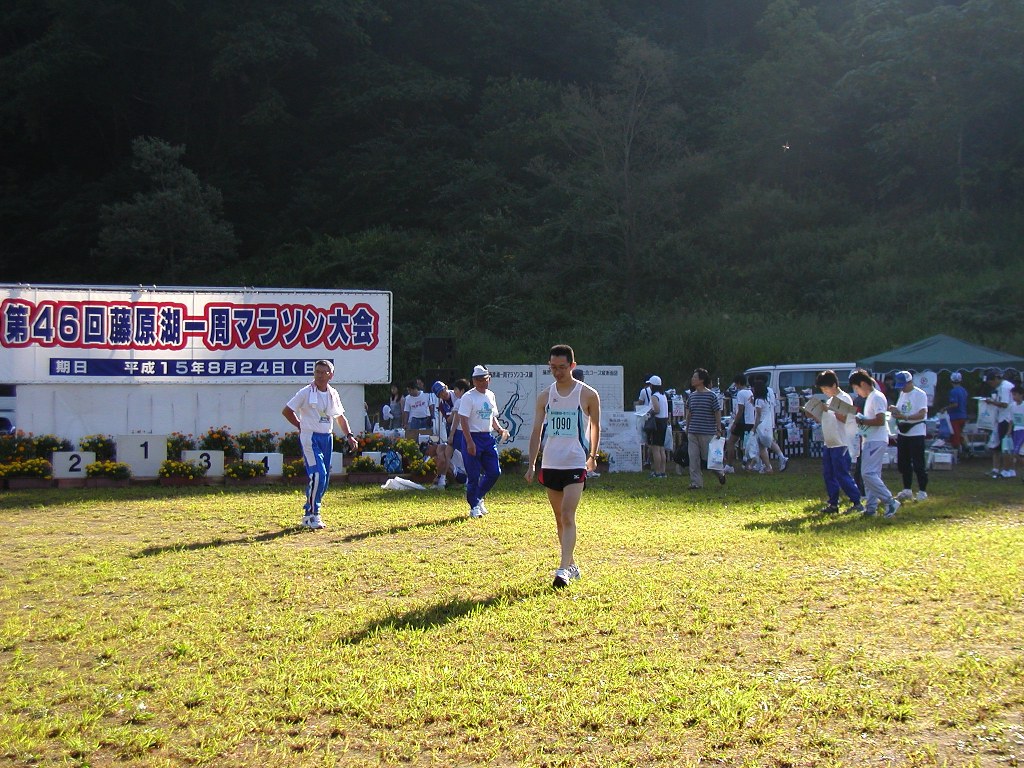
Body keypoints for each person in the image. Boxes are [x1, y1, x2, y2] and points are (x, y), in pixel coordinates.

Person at [525, 344, 602, 589]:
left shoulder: (588, 394)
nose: (557, 372)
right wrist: (532, 463)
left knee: (568, 514)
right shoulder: (545, 396)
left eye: (562, 367)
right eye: (553, 368)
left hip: (575, 463)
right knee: (559, 518)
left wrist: (593, 455)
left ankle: (562, 570)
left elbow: (595, 427)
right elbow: (536, 430)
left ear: (572, 366)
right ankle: (572, 564)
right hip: (551, 463)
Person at [281, 359, 359, 530]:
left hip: (327, 437)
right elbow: (287, 411)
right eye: (317, 372)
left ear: (331, 375)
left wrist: (349, 436)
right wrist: (300, 425)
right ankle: (312, 514)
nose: (320, 376)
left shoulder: (333, 393)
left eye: (324, 372)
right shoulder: (306, 392)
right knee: (318, 475)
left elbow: (340, 417)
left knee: (324, 479)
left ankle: (309, 513)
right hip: (310, 437)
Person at [458, 365, 509, 518]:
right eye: (478, 380)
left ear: (489, 379)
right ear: (473, 381)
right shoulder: (468, 397)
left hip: (487, 437)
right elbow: (463, 420)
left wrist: (499, 429)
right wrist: (469, 442)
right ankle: (473, 506)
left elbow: (492, 416)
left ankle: (478, 497)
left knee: (494, 472)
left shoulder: (490, 395)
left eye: (484, 379)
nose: (481, 383)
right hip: (472, 436)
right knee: (473, 474)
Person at [811, 370, 863, 514]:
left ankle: (856, 501)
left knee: (842, 474)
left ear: (834, 385)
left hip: (841, 442)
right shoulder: (829, 400)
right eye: (822, 389)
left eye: (826, 388)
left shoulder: (844, 398)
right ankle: (833, 503)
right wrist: (815, 413)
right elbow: (825, 419)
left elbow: (846, 419)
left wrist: (830, 409)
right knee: (828, 474)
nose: (825, 392)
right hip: (829, 442)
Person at [850, 368, 899, 518]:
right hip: (870, 439)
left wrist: (862, 420)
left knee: (867, 474)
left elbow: (880, 420)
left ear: (863, 384)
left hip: (875, 440)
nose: (857, 392)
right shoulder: (871, 397)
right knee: (872, 475)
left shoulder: (877, 397)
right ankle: (871, 508)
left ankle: (890, 501)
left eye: (856, 388)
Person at [890, 370, 929, 502]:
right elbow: (902, 410)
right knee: (903, 463)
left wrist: (905, 417)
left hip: (916, 432)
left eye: (904, 385)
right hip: (903, 432)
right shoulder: (902, 393)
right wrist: (895, 410)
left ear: (910, 382)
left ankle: (922, 491)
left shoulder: (920, 394)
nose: (902, 388)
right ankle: (907, 489)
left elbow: (922, 414)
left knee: (918, 463)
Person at [684, 368, 726, 489]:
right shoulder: (691, 396)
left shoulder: (711, 395)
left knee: (709, 459)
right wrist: (687, 427)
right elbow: (689, 413)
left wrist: (718, 429)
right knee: (693, 459)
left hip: (707, 432)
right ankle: (696, 483)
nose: (692, 379)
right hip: (693, 431)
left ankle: (720, 473)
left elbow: (717, 412)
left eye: (695, 377)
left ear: (701, 380)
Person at [751, 376, 789, 473]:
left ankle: (768, 466)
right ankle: (771, 463)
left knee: (763, 446)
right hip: (768, 424)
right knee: (768, 443)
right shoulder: (766, 400)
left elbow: (758, 415)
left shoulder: (758, 400)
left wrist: (754, 427)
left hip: (761, 425)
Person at [985, 369, 1015, 478]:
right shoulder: (1002, 387)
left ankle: (1008, 469)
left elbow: (1004, 404)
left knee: (1006, 446)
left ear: (996, 379)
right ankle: (997, 469)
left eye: (991, 382)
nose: (991, 385)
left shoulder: (1004, 387)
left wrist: (991, 402)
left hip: (1006, 419)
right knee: (997, 445)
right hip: (1001, 418)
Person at [725, 374, 752, 472]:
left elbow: (740, 410)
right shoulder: (750, 392)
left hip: (741, 422)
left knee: (731, 442)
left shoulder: (740, 393)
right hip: (750, 421)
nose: (735, 386)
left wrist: (734, 423)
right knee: (747, 445)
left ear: (739, 383)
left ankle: (730, 465)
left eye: (736, 384)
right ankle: (748, 464)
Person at [646, 375, 669, 478]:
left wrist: (649, 412)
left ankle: (657, 472)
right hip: (664, 421)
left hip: (657, 422)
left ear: (653, 386)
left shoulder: (654, 396)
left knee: (655, 448)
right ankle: (663, 471)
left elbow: (657, 409)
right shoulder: (663, 395)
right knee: (661, 448)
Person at [945, 372, 969, 453]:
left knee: (955, 435)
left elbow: (955, 404)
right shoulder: (964, 390)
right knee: (960, 433)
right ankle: (967, 449)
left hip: (955, 417)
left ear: (951, 381)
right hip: (963, 415)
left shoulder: (953, 391)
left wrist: (944, 408)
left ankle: (957, 453)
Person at [1009, 385, 1024, 480]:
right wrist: (1008, 432)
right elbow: (1011, 420)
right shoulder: (1012, 406)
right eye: (1012, 395)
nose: (1014, 397)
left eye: (1015, 394)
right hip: (1016, 431)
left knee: (1019, 453)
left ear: (1021, 395)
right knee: (1016, 453)